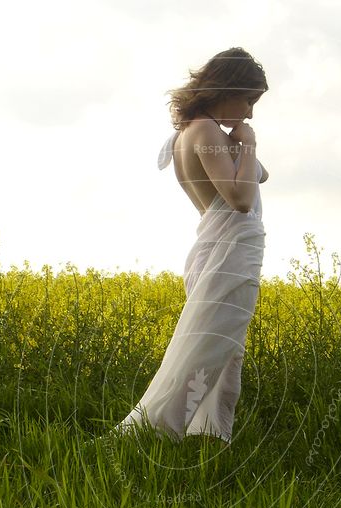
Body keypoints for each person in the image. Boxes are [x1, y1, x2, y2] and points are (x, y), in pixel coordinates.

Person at [109, 47, 269, 445]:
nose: (249, 113)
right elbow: (242, 198)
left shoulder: (194, 133)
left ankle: (206, 439)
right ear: (226, 89)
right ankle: (150, 437)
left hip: (219, 250)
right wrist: (246, 142)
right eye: (248, 100)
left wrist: (242, 143)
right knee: (204, 354)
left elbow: (259, 178)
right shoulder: (205, 131)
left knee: (221, 353)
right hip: (228, 253)